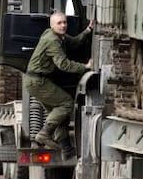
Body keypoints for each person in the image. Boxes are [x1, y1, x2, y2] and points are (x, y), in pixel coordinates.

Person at [24, 12, 93, 160]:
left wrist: (88, 30)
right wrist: (85, 67)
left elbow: (74, 42)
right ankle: (44, 133)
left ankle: (66, 149)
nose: (63, 25)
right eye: (59, 23)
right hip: (37, 81)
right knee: (66, 103)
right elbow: (63, 64)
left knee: (59, 116)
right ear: (52, 25)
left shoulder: (57, 36)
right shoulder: (52, 40)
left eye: (64, 22)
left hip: (39, 80)